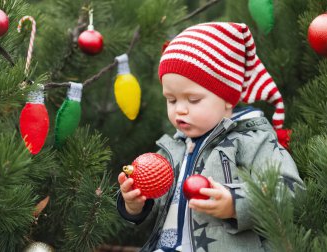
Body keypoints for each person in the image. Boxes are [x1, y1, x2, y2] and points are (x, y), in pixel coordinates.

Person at [117, 22, 304, 252]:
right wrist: (136, 204)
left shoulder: (252, 141)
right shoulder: (171, 150)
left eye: (193, 100)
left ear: (227, 98)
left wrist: (236, 204)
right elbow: (157, 206)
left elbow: (291, 192)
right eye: (171, 100)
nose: (180, 110)